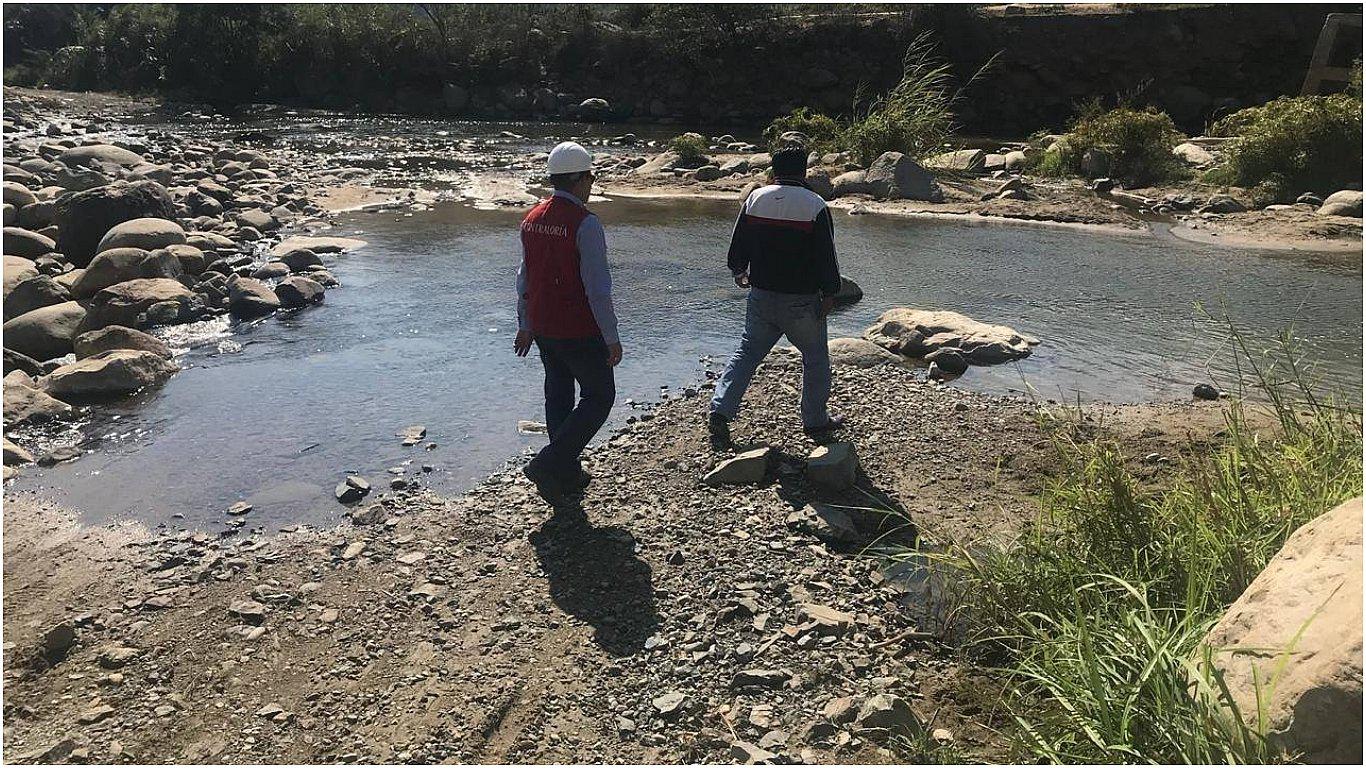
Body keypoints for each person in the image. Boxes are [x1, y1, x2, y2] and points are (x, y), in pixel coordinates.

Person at [708, 144, 844, 448]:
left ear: (773, 169)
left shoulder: (756, 198)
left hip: (761, 295)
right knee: (815, 358)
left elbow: (738, 241)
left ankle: (720, 410)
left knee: (747, 354)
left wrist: (738, 270)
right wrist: (830, 292)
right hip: (801, 300)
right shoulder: (815, 205)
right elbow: (826, 255)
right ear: (804, 170)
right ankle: (815, 420)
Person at [514, 141, 622, 500]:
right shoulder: (586, 223)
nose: (591, 185)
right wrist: (611, 336)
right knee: (600, 395)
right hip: (578, 327)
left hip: (544, 324)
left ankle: (565, 473)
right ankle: (550, 462)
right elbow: (598, 289)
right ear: (578, 179)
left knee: (558, 392)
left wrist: (525, 323)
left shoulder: (532, 218)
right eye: (590, 177)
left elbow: (525, 276)